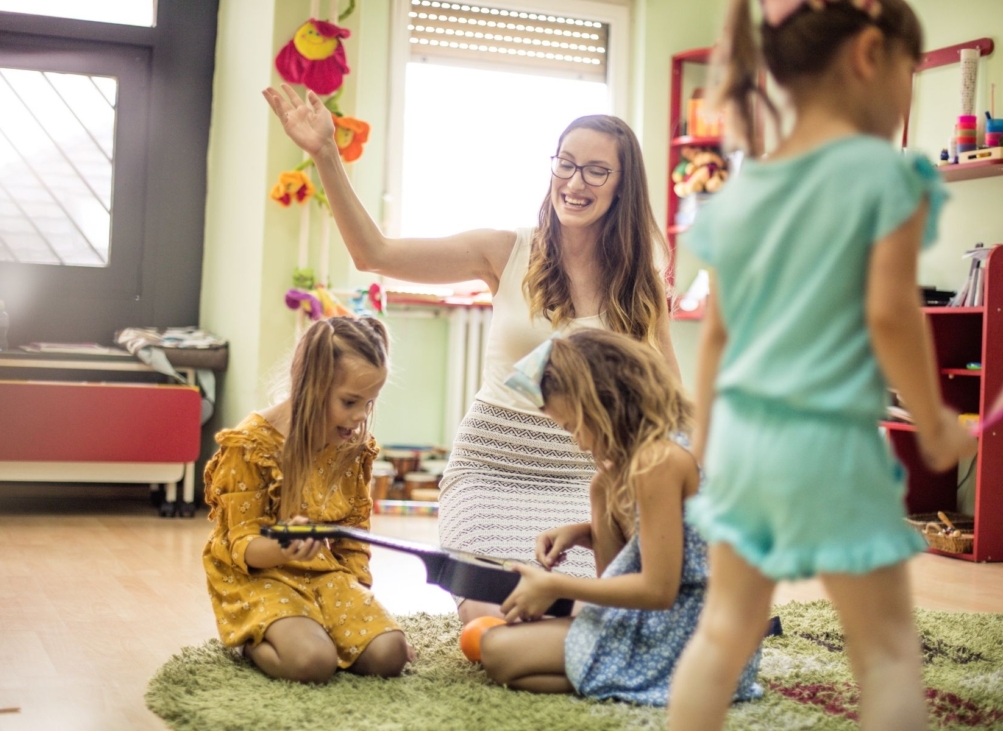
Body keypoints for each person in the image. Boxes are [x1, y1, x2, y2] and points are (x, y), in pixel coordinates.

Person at [666, 1, 979, 729]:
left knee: (722, 633)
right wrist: (932, 421)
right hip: (829, 443)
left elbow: (715, 339)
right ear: (869, 55)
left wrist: (709, 449)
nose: (907, 91)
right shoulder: (882, 173)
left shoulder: (746, 188)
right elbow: (891, 313)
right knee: (889, 653)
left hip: (744, 443)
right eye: (911, 73)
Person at [263, 84, 681, 622]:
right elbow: (374, 254)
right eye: (566, 164)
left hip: (587, 482)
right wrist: (325, 153)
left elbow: (671, 397)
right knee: (492, 620)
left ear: (623, 185)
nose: (575, 182)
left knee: (587, 616)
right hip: (489, 471)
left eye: (597, 171)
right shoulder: (506, 251)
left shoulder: (640, 280)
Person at [476, 329, 762, 704]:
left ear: (606, 402)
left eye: (575, 426)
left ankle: (646, 683)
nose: (579, 442)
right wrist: (583, 532)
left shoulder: (657, 461)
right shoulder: (662, 448)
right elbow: (678, 539)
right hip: (688, 626)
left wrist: (556, 585)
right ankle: (616, 664)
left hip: (692, 634)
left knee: (496, 650)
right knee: (603, 485)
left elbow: (659, 590)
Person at [202, 316, 412, 684]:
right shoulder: (251, 445)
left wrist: (358, 596)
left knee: (390, 655)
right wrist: (283, 546)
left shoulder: (351, 447)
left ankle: (313, 628)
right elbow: (240, 545)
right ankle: (249, 640)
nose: (361, 416)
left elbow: (353, 529)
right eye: (350, 401)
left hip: (322, 573)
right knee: (312, 663)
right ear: (312, 387)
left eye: (369, 402)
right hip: (260, 576)